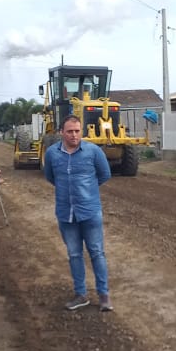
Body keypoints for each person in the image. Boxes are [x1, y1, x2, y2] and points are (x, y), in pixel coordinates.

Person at [43, 114, 113, 312]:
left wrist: (86, 191)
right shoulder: (52, 154)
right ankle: (80, 294)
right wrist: (68, 190)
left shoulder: (93, 151)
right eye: (69, 131)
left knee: (97, 253)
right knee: (74, 254)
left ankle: (104, 295)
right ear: (61, 132)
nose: (74, 135)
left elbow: (105, 174)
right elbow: (50, 177)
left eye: (77, 131)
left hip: (90, 212)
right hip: (66, 213)